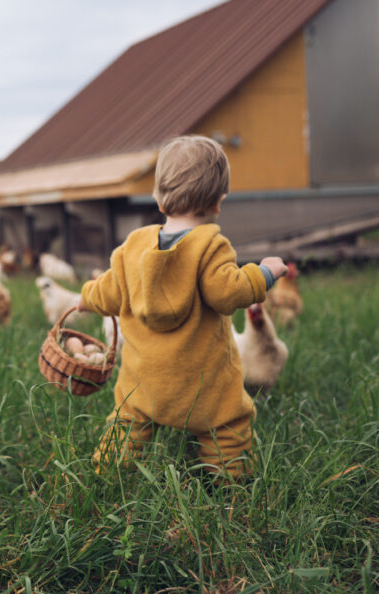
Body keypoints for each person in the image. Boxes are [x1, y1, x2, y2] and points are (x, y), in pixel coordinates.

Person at [77, 135, 287, 479]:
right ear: (218, 202)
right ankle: (230, 480)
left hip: (143, 382)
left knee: (126, 422)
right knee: (228, 424)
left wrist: (85, 298)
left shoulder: (133, 247)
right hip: (202, 385)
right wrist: (265, 273)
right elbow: (229, 292)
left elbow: (108, 291)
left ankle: (107, 474)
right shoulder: (211, 247)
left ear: (158, 198)